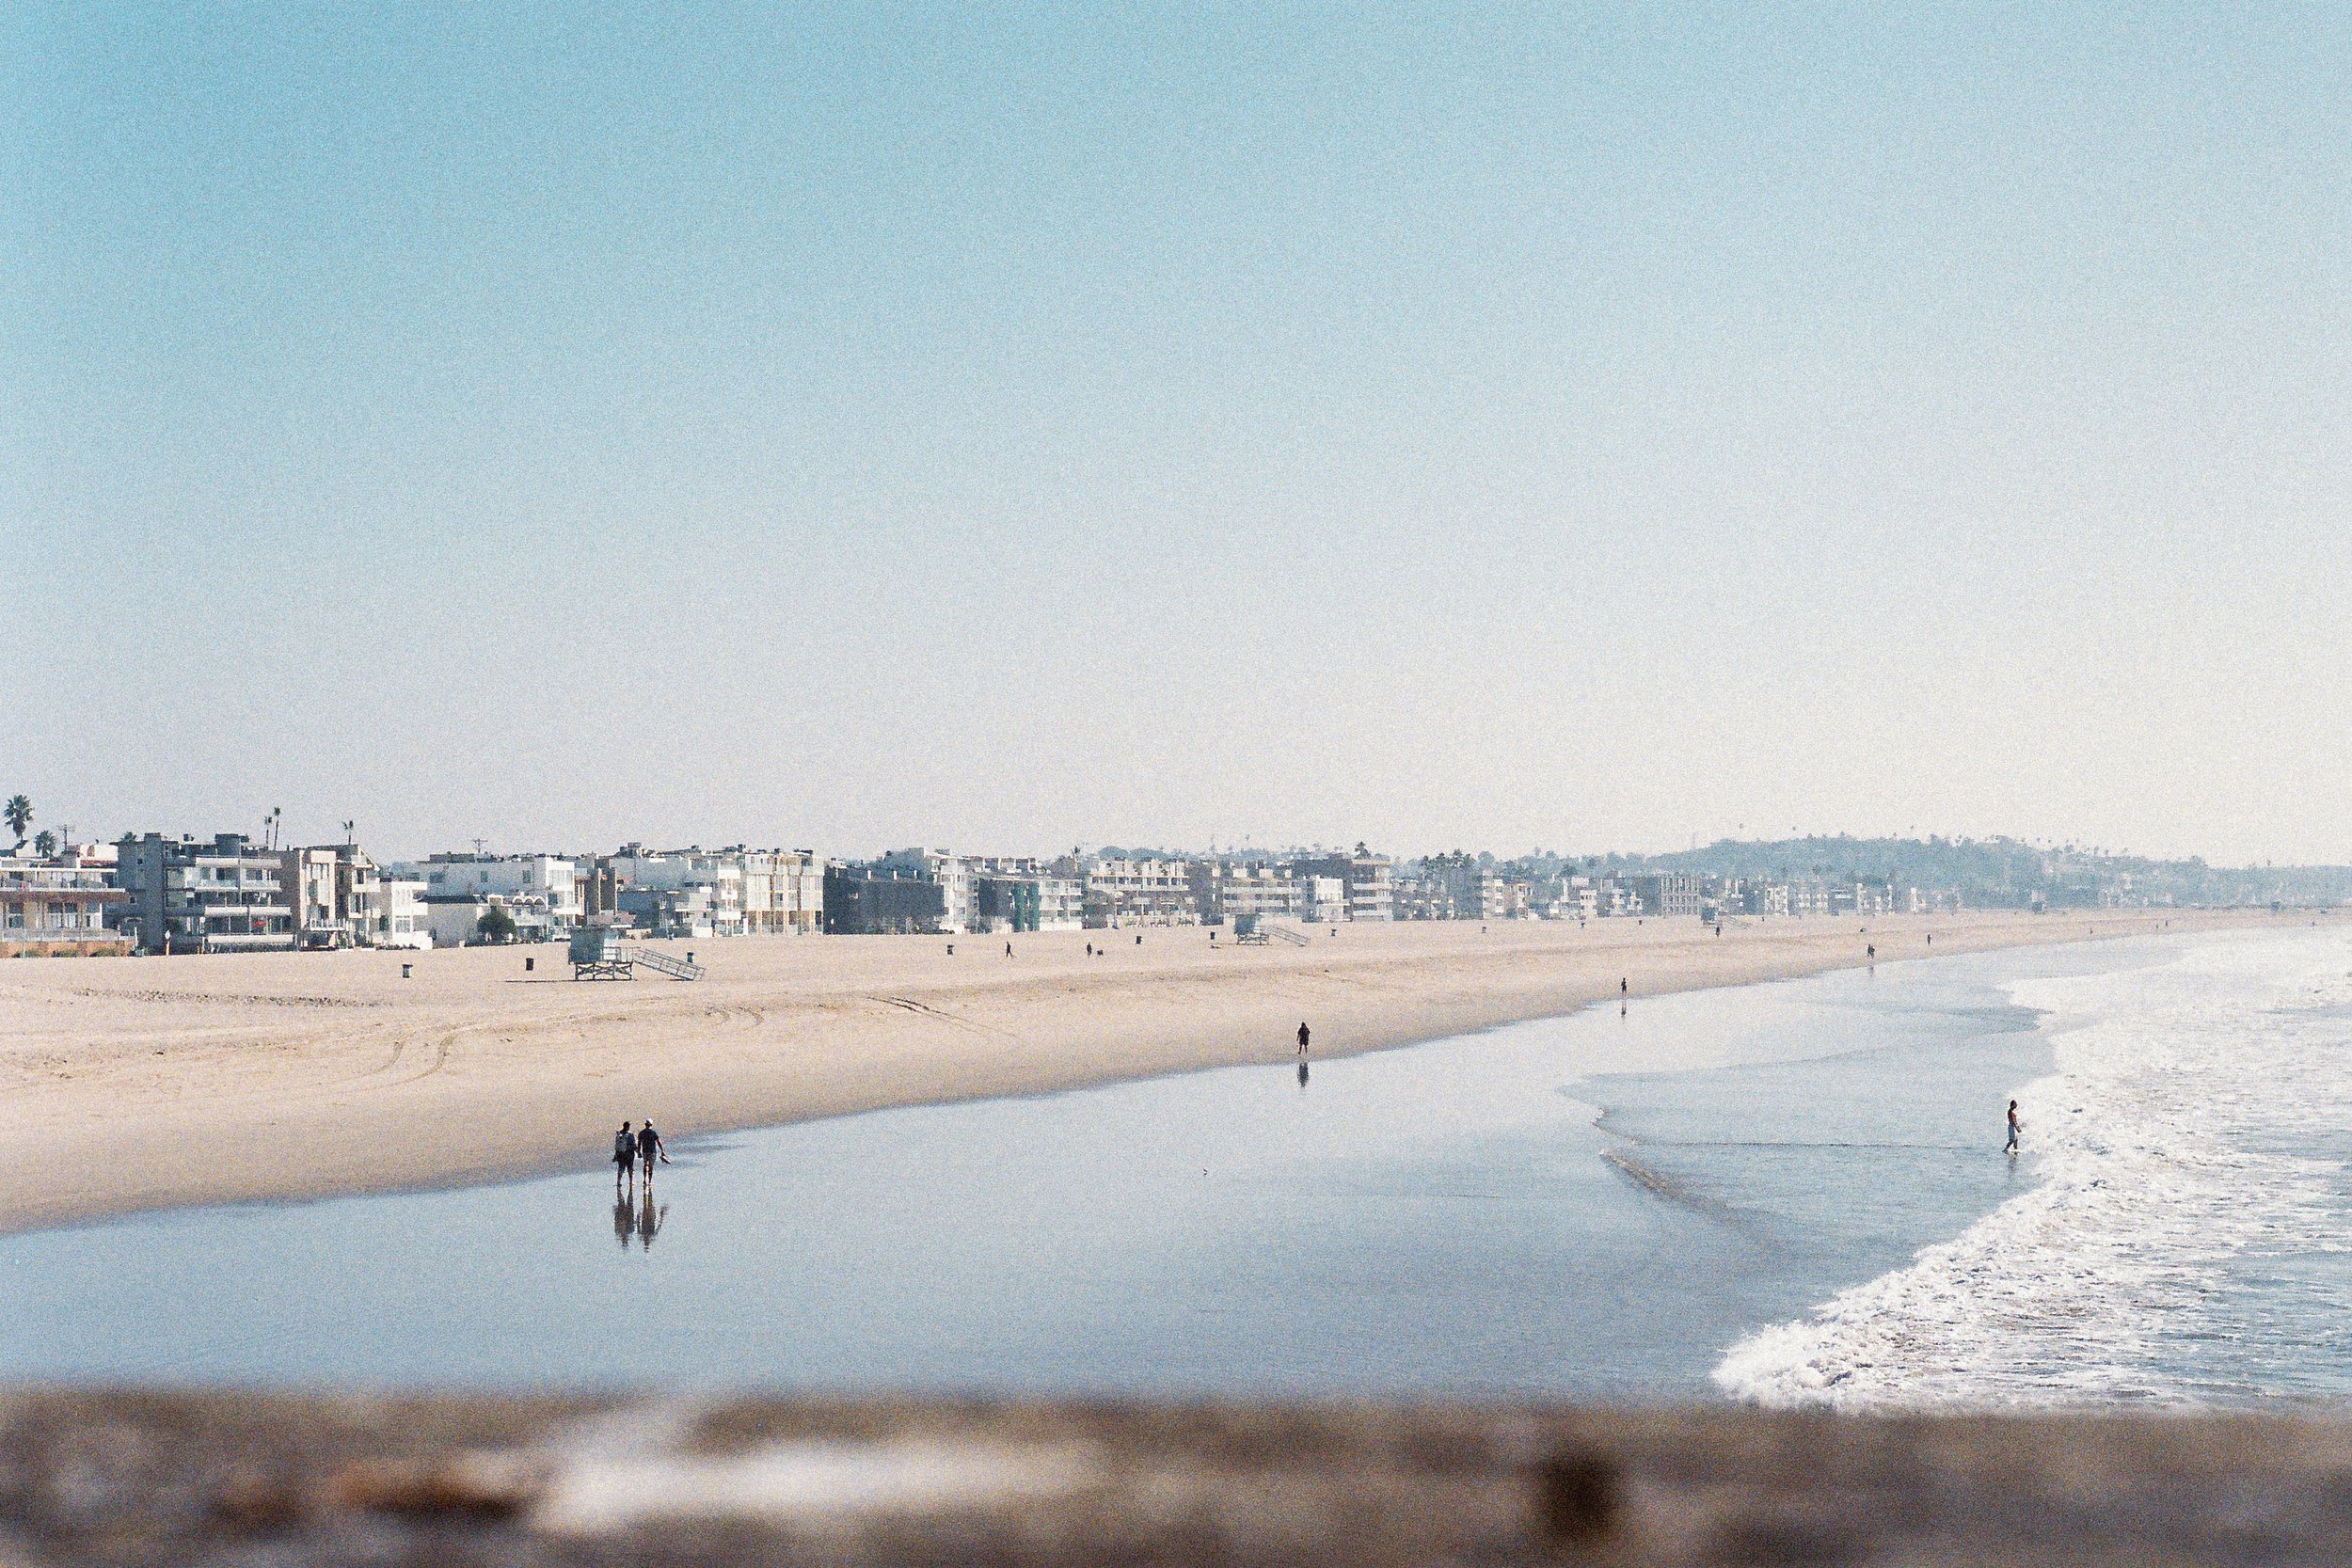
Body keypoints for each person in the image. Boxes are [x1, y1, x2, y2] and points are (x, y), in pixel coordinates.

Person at [612, 1120, 635, 1188]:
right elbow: (633, 1145)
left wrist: (616, 1155)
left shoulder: (619, 1135)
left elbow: (617, 1146)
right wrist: (638, 1152)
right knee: (630, 1168)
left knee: (621, 1168)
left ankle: (619, 1181)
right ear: (628, 1127)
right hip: (629, 1154)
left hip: (620, 1153)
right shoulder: (630, 1135)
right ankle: (631, 1181)